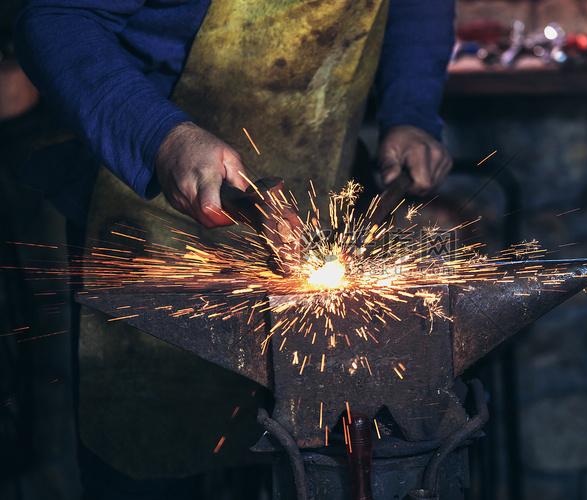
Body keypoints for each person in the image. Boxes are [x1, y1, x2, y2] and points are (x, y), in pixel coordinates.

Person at [14, 0, 455, 497]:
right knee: (150, 455)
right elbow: (54, 18)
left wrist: (411, 111)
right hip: (147, 209)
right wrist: (162, 139)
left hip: (309, 208)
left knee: (293, 454)